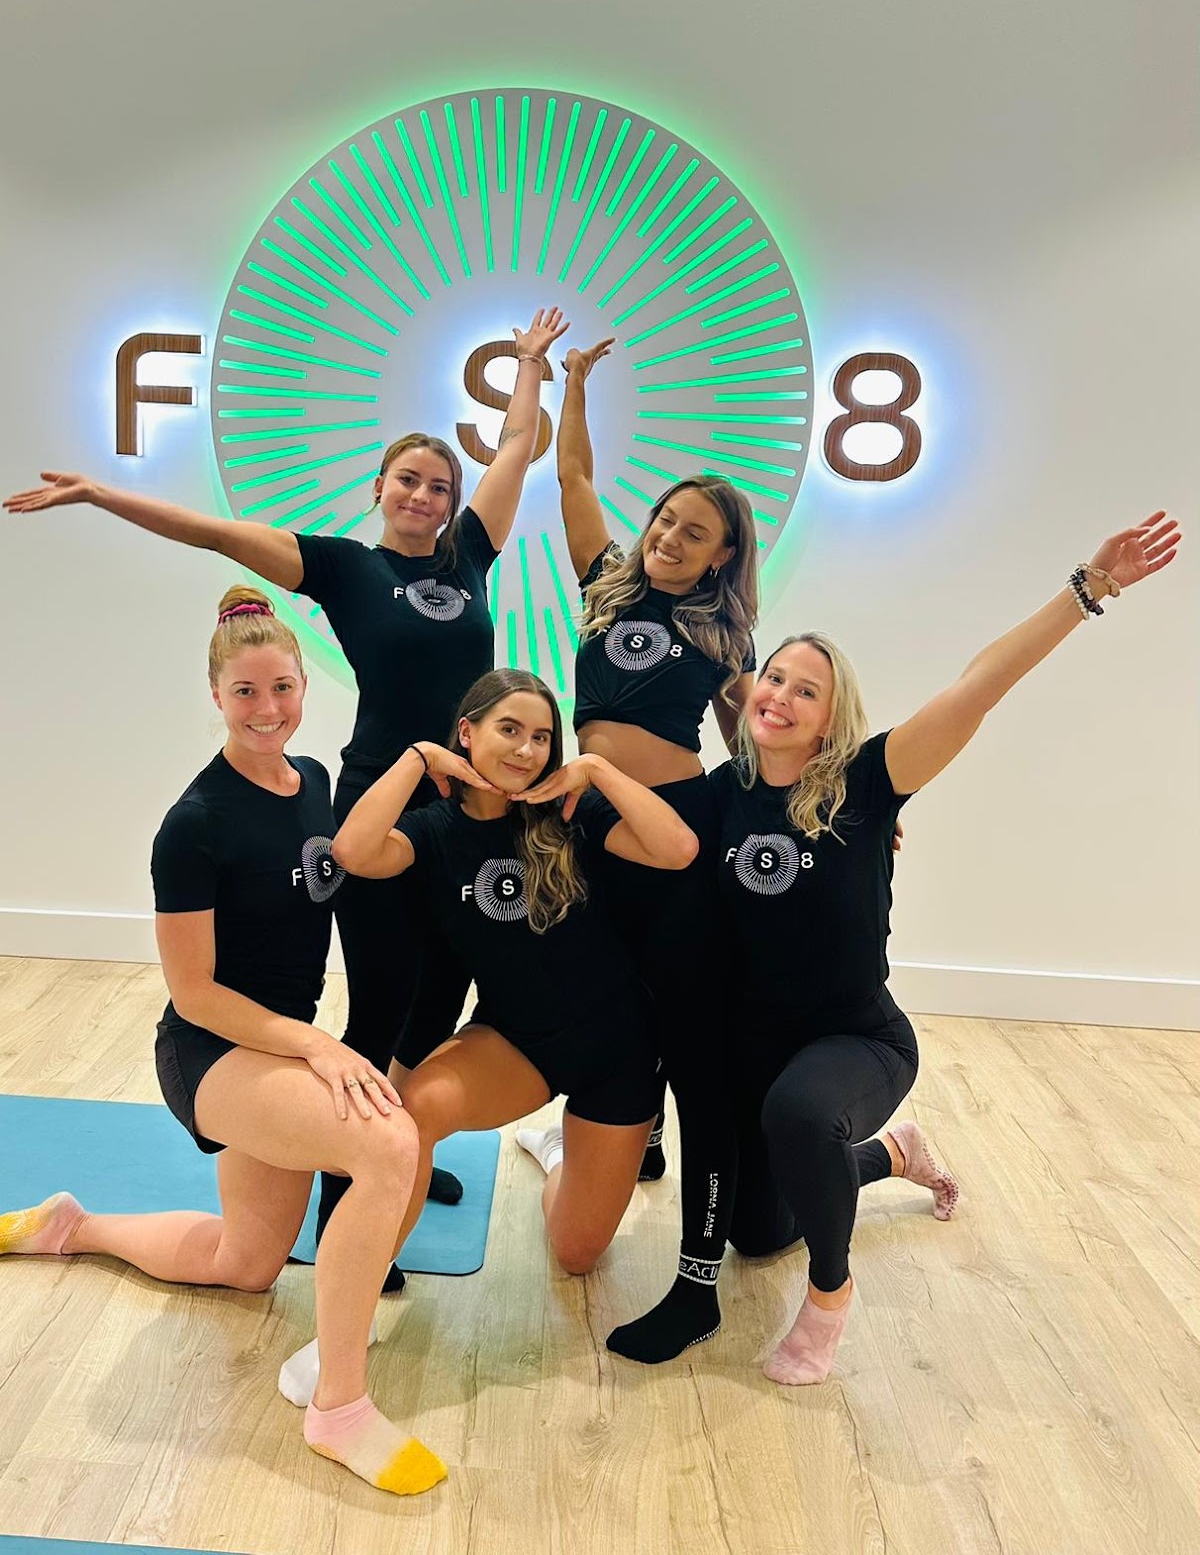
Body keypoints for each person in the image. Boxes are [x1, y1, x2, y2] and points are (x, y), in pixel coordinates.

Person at [4, 306, 568, 1283]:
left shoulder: (471, 555)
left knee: (441, 998)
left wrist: (528, 366)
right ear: (380, 489)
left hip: (473, 812)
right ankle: (354, 1196)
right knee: (387, 1002)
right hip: (384, 806)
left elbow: (519, 443)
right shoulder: (345, 569)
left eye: (440, 484)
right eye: (410, 481)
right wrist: (104, 496)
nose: (428, 497)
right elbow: (218, 533)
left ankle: (395, 1148)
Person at [703, 512, 1180, 1385]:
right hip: (758, 1047)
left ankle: (832, 1300)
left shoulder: (867, 784)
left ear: (830, 716)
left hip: (856, 1041)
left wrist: (1088, 588)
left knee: (801, 1117)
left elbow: (977, 687)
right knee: (759, 1233)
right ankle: (891, 1155)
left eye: (806, 690)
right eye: (773, 678)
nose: (780, 695)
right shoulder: (717, 796)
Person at [0, 587, 444, 1497]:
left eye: (282, 686)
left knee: (246, 1266)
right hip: (211, 1052)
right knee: (389, 1142)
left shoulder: (313, 781)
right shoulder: (194, 825)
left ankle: (70, 1227)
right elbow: (193, 992)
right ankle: (340, 1408)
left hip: (278, 1048)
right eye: (246, 692)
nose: (268, 708)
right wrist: (316, 1047)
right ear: (214, 693)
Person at [276, 667, 698, 1405]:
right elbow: (350, 850)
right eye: (509, 729)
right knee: (413, 1115)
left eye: (541, 736)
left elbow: (678, 849)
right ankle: (354, 1316)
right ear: (466, 732)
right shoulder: (435, 832)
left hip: (620, 1052)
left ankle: (559, 1148)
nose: (528, 749)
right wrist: (415, 758)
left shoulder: (570, 811)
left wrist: (595, 767)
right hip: (518, 1043)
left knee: (575, 1255)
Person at [543, 338, 761, 1364]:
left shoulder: (725, 638)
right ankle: (637, 1144)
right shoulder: (609, 583)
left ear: (724, 554)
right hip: (584, 829)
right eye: (666, 520)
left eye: (695, 532)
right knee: (616, 1012)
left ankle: (698, 1281)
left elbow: (753, 745)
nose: (671, 537)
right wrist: (572, 386)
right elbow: (574, 475)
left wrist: (840, 810)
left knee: (699, 1054)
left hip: (672, 837)